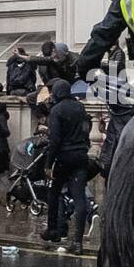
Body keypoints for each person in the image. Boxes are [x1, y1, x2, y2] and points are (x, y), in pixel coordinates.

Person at [42, 79, 91, 253]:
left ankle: (53, 229)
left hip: (63, 157)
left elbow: (54, 140)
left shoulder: (57, 110)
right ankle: (77, 241)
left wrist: (48, 164)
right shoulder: (80, 107)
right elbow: (87, 128)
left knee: (54, 193)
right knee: (79, 198)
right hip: (80, 156)